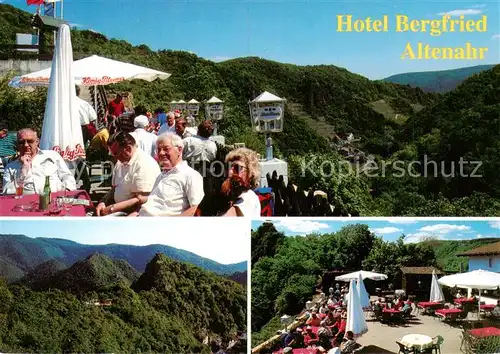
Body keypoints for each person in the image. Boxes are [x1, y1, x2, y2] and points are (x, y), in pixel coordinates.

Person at [138, 133, 204, 216]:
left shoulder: (190, 175)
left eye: (166, 149)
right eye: (158, 149)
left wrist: (173, 225)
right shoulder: (161, 175)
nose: (161, 153)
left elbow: (196, 209)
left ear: (179, 150)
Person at [96, 131, 160, 216]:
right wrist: (103, 202)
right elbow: (114, 188)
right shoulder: (121, 161)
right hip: (118, 209)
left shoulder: (144, 164)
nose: (114, 157)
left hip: (133, 213)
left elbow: (142, 200)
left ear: (128, 149)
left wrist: (113, 208)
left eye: (115, 153)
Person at [2, 128, 76, 195]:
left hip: (54, 199)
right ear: (17, 144)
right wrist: (22, 172)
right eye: (22, 142)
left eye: (30, 141)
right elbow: (6, 191)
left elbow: (67, 176)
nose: (26, 145)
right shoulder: (11, 166)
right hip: (25, 204)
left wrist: (67, 190)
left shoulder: (52, 155)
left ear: (37, 141)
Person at [222, 148, 261, 217]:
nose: (230, 172)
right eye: (228, 167)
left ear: (251, 173)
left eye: (238, 168)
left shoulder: (248, 197)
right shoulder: (232, 196)